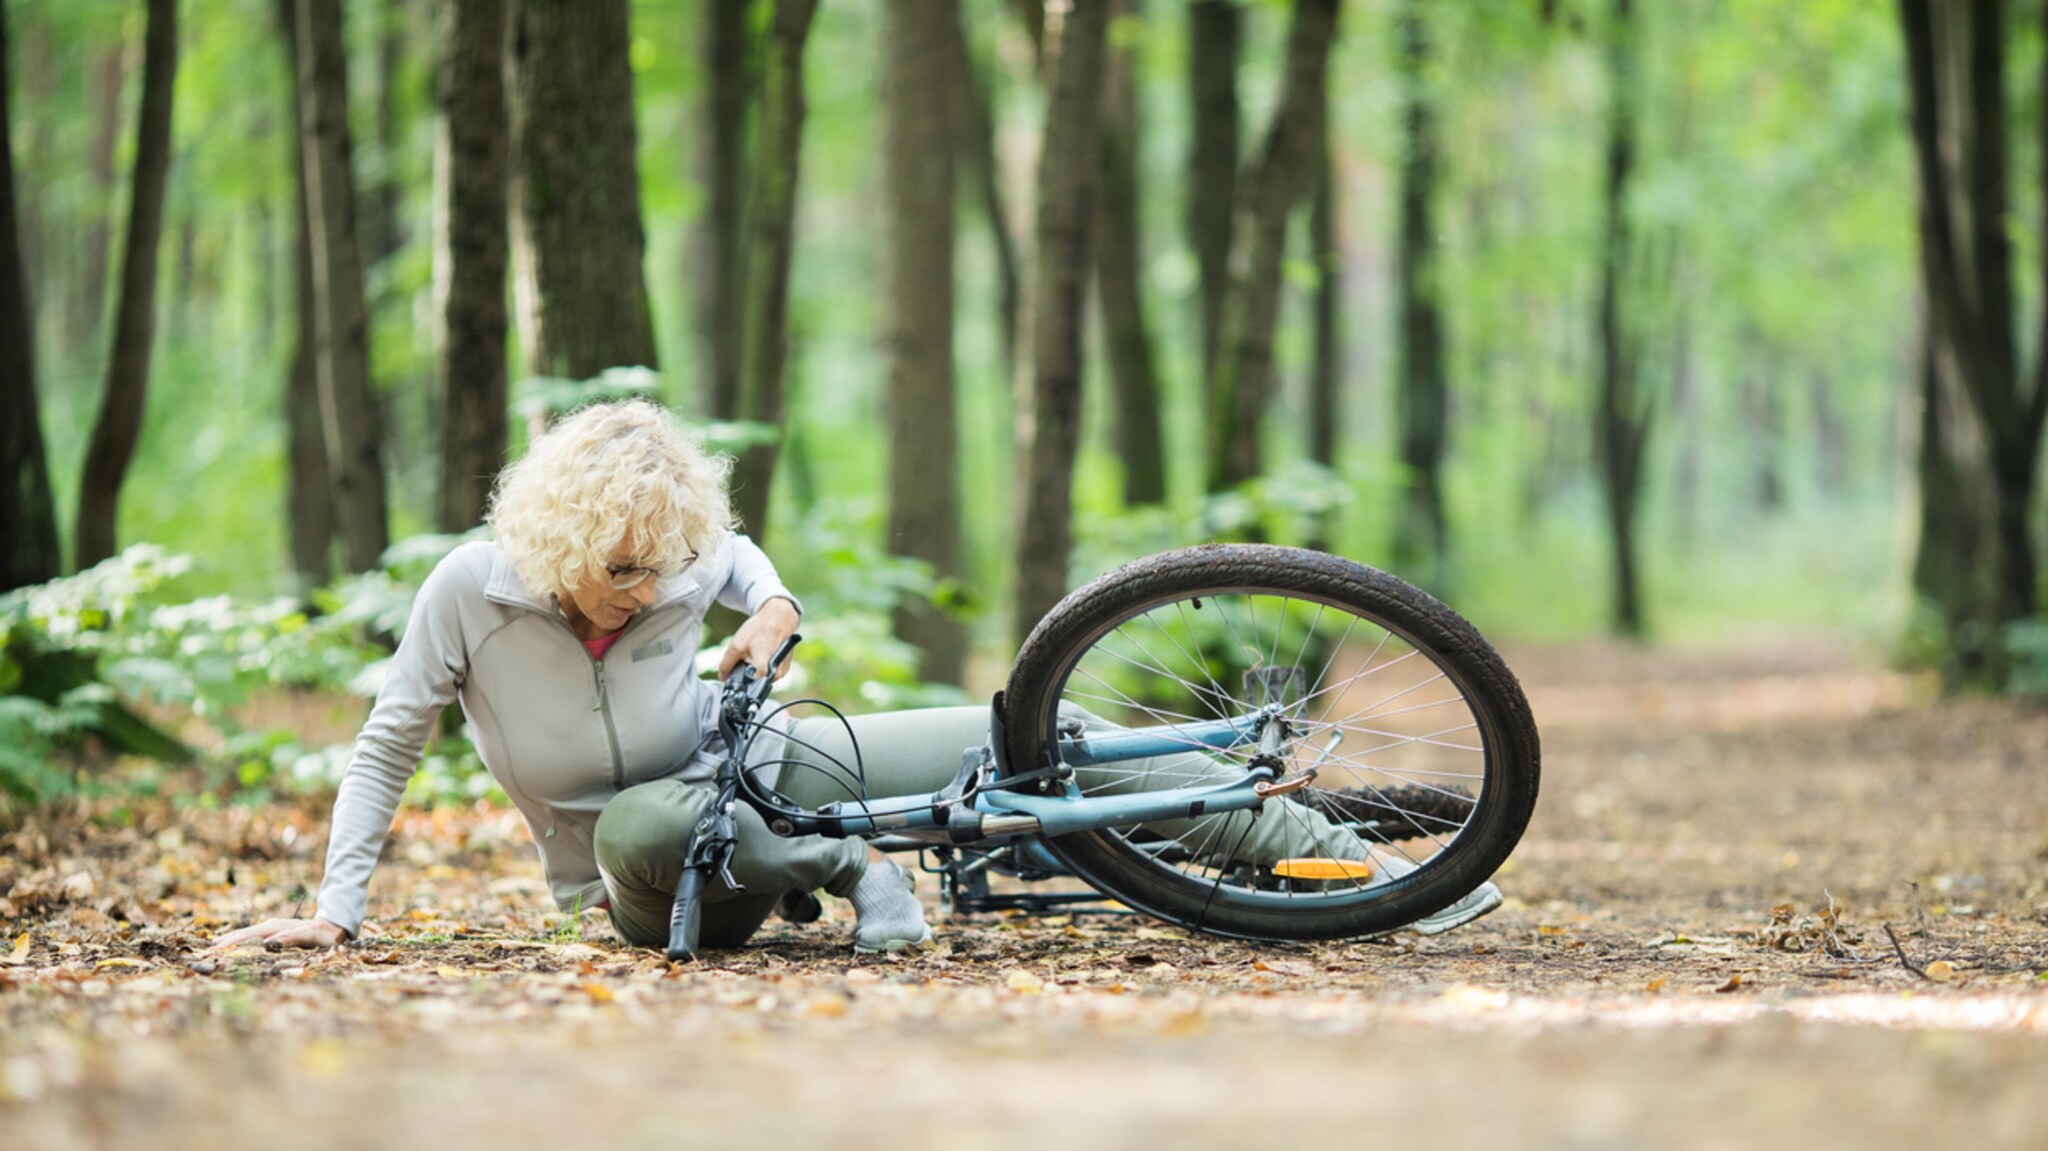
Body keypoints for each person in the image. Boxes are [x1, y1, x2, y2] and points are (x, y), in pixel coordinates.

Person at [216, 400, 1498, 957]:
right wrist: (337, 911)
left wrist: (772, 604)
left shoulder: (676, 558)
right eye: (618, 569)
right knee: (639, 820)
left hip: (765, 766)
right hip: (649, 871)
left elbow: (740, 563)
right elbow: (386, 743)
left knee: (1037, 736)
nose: (645, 590)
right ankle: (850, 868)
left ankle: (1373, 870)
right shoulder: (469, 591)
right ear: (555, 542)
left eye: (662, 566)